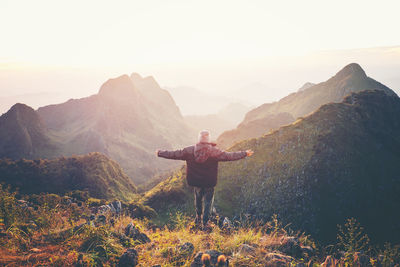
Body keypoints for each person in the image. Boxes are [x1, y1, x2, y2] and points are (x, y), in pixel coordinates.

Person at [156, 130, 253, 229]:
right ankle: (205, 222)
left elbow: (174, 154)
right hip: (209, 182)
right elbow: (229, 156)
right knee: (208, 202)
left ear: (199, 139)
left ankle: (198, 217)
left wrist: (160, 153)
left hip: (196, 181)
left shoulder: (189, 151)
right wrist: (244, 153)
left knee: (198, 198)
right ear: (208, 139)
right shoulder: (214, 151)